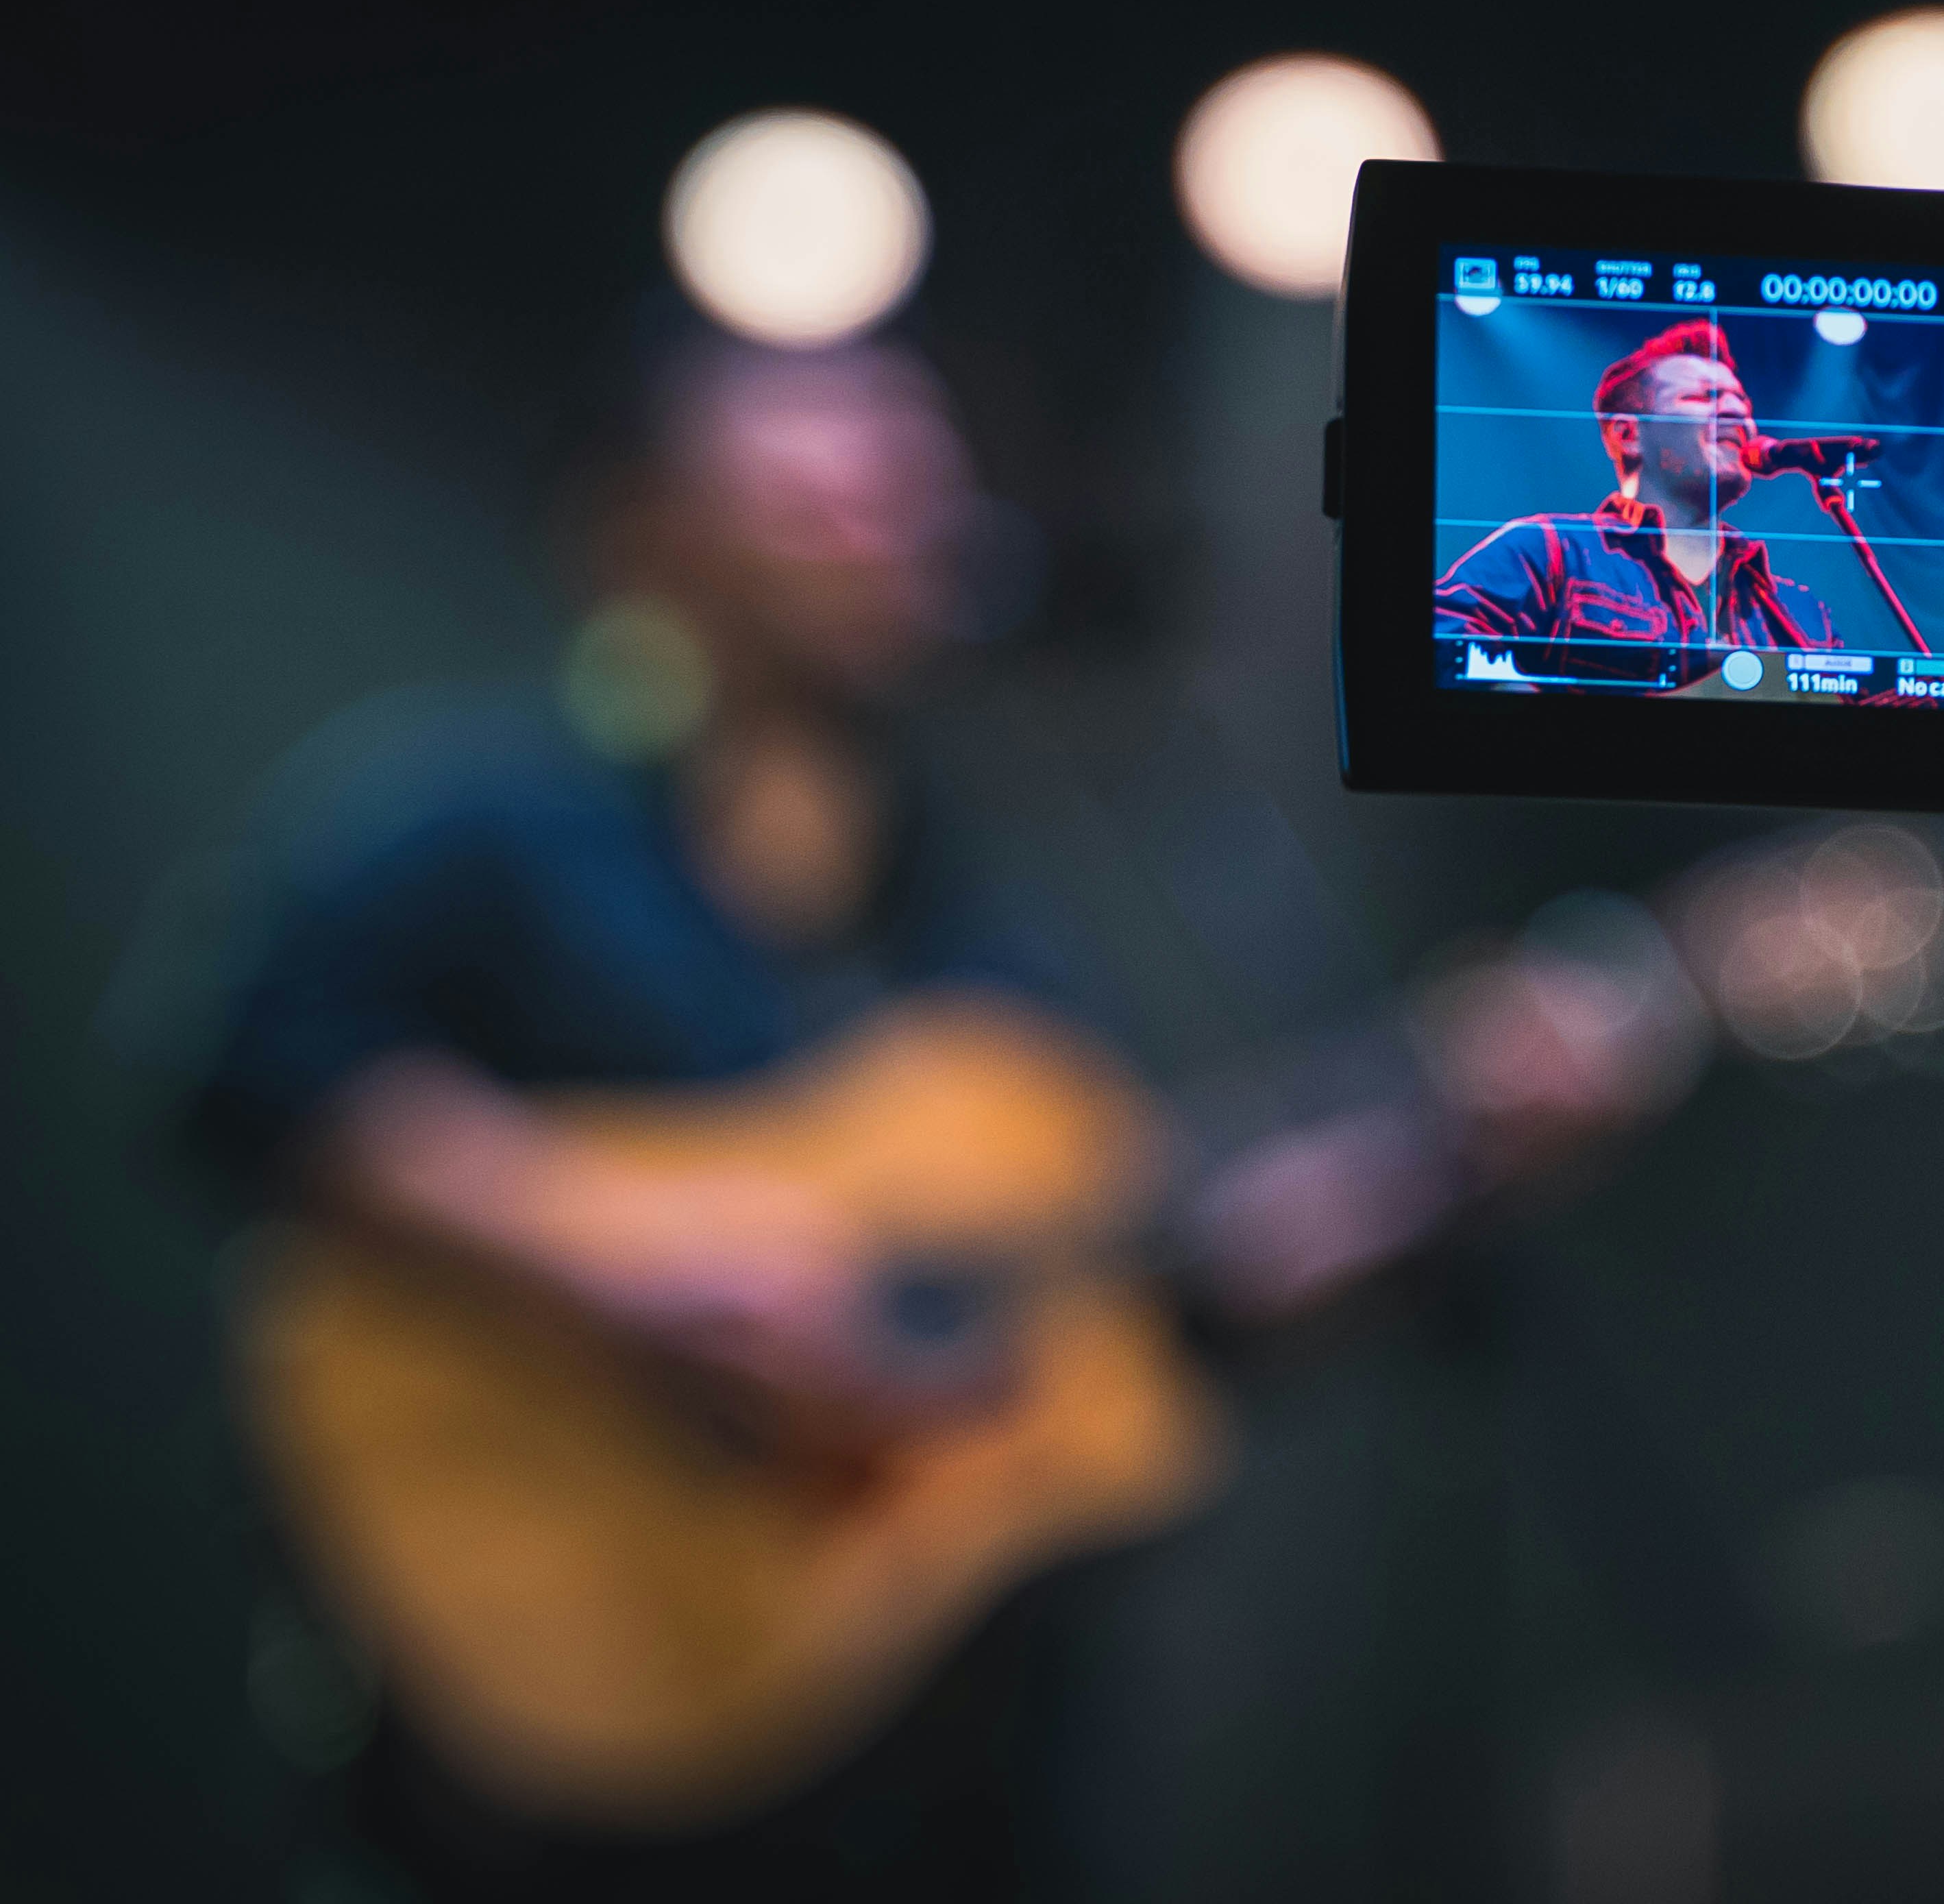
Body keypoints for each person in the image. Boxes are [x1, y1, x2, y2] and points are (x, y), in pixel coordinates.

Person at [189, 334, 1638, 1901]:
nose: (892, 511)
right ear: (647, 531)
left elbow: (1161, 1297)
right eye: (821, 481)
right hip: (577, 1741)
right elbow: (257, 1072)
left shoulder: (993, 908)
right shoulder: (481, 823)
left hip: (960, 1776)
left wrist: (1460, 1152)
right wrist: (634, 1277)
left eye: (912, 478)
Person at [1434, 319, 1841, 685]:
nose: (1737, 411)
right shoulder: (1549, 549)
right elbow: (1444, 640)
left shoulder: (1802, 614)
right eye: (1703, 398)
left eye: (1742, 401)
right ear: (1628, 434)